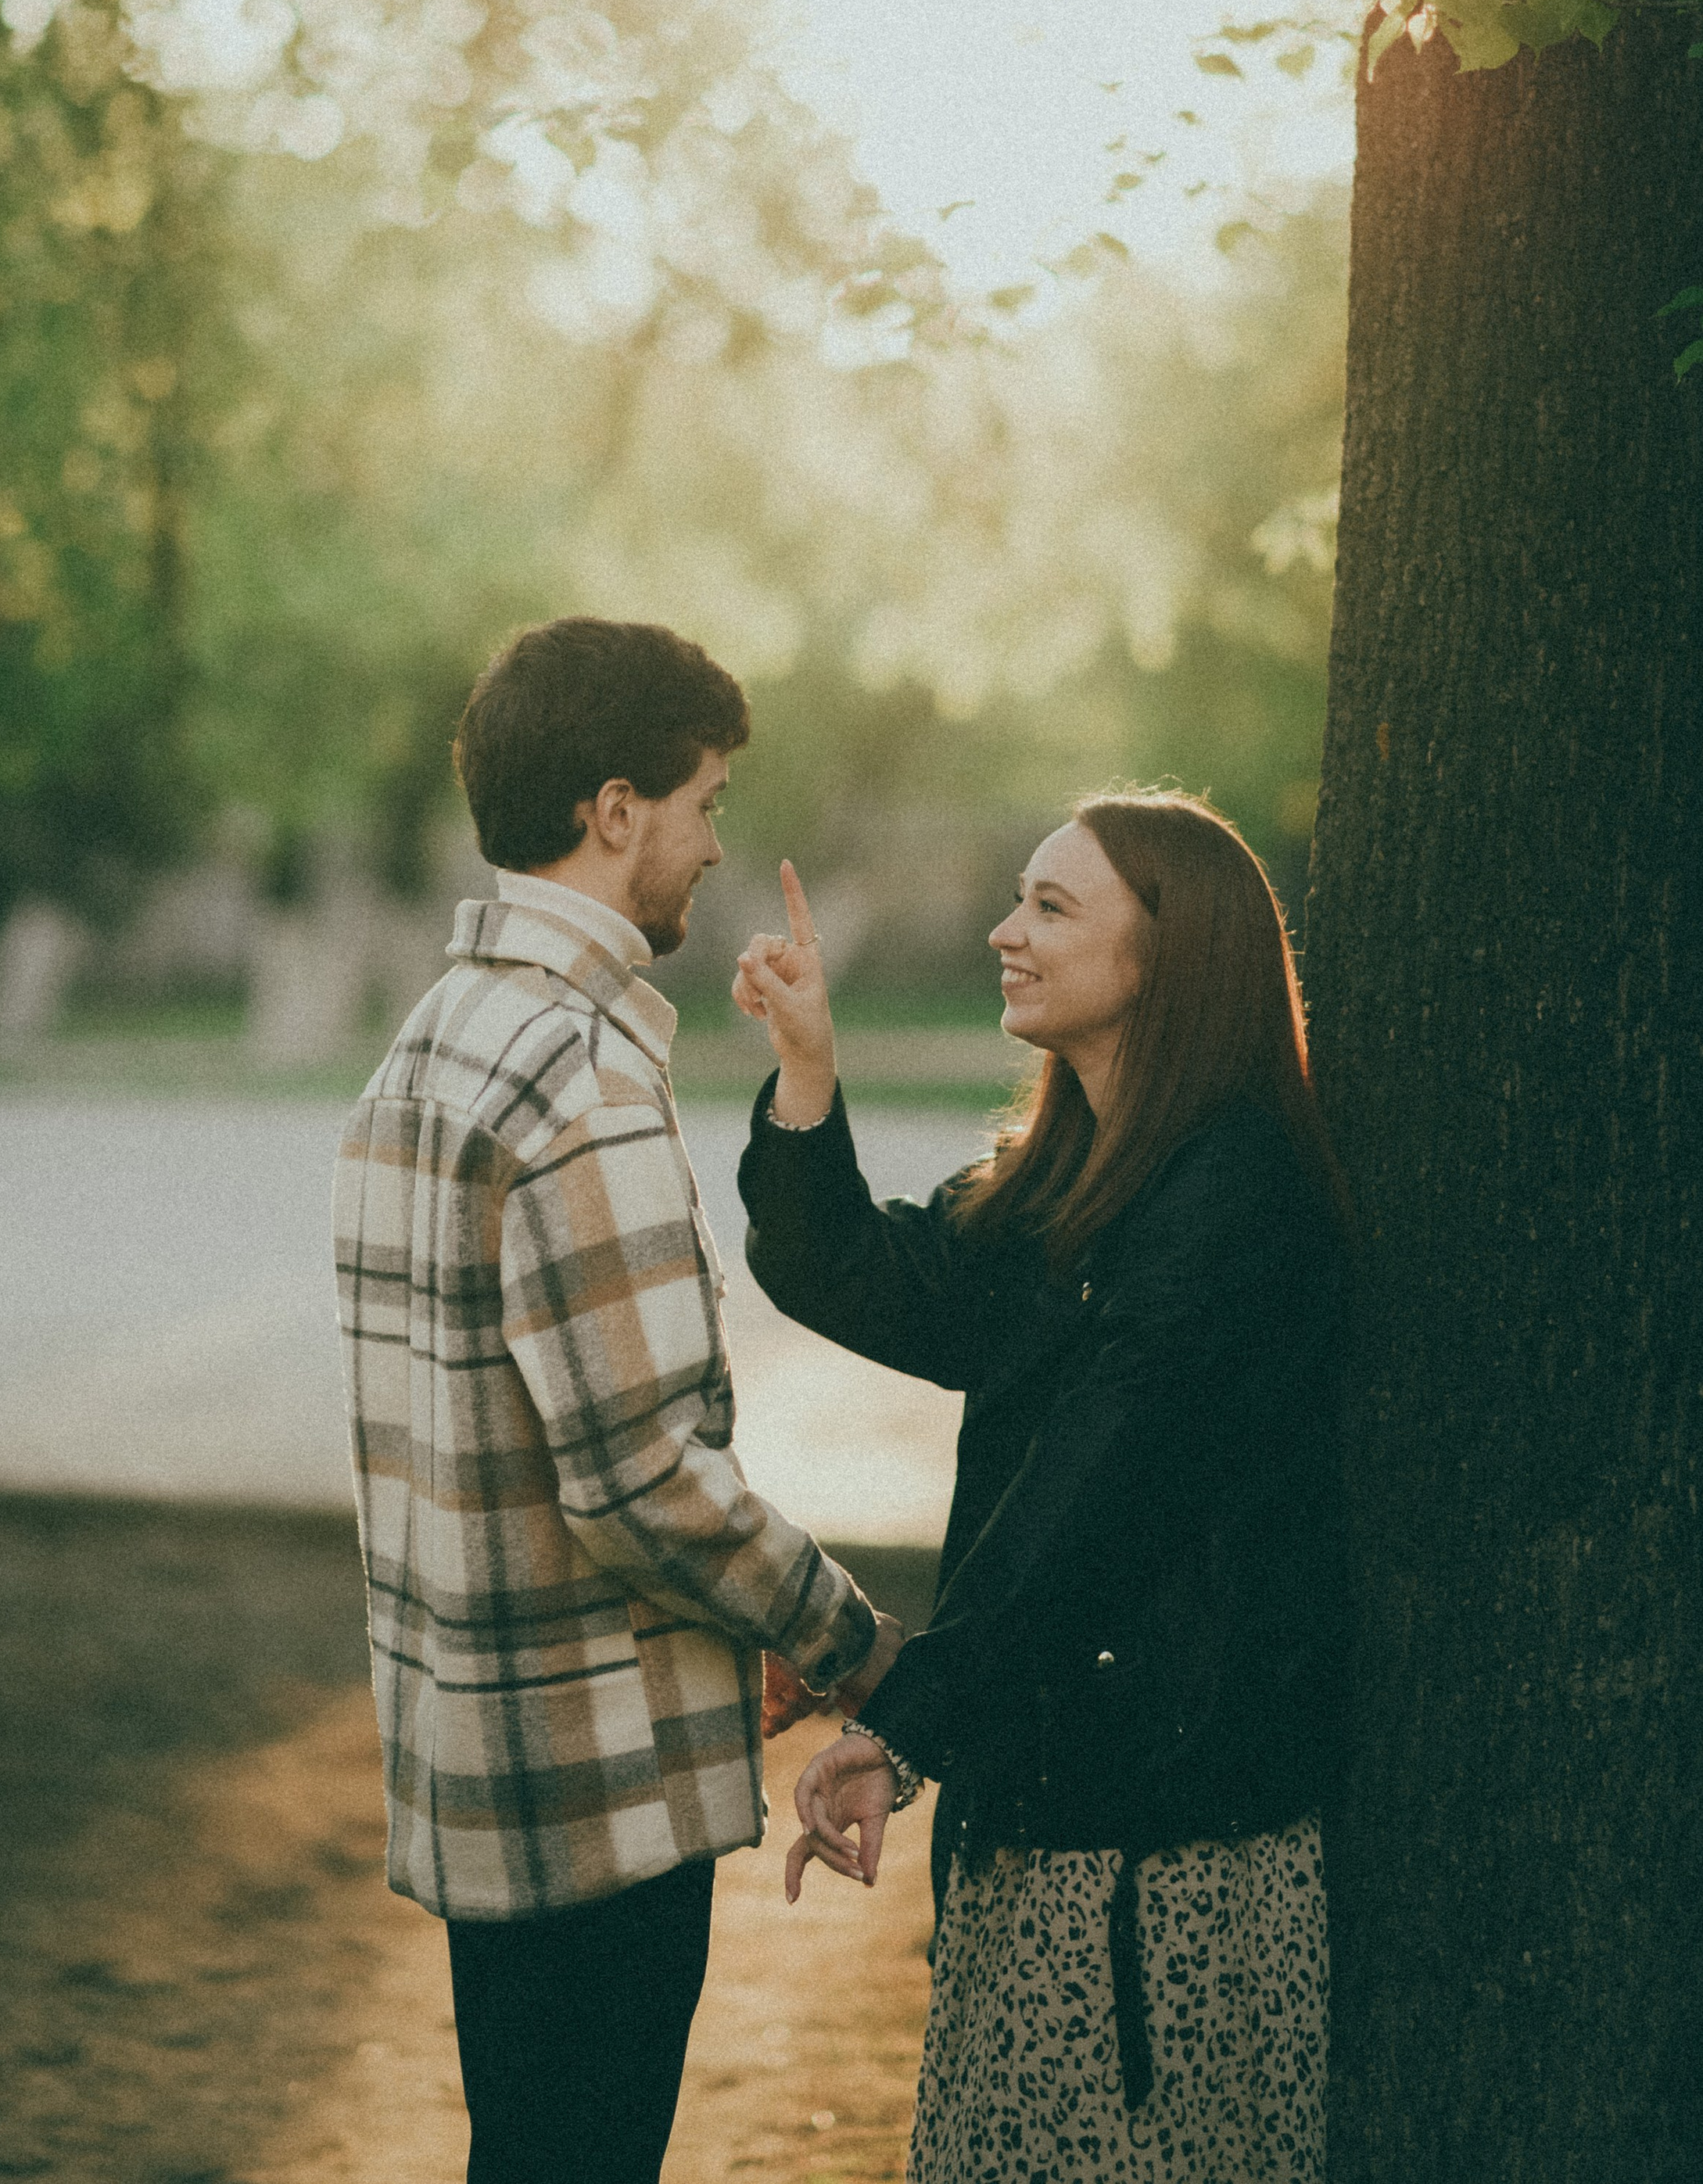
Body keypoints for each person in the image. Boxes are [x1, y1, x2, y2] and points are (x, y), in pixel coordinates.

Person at [333, 616, 900, 2184]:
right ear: (613, 809)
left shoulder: (430, 1042)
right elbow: (641, 1477)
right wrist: (846, 1641)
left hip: (483, 1763)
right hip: (597, 1799)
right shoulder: (575, 1075)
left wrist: (722, 1629)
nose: (715, 843)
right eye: (705, 802)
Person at [733, 792, 1353, 2183]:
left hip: (1168, 1841)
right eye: (1020, 897)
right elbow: (860, 1276)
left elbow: (1096, 1494)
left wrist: (902, 1725)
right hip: (1046, 1801)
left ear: (1168, 954)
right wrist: (808, 1068)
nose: (1005, 932)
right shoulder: (1064, 1177)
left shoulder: (1235, 1191)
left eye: (1052, 907)